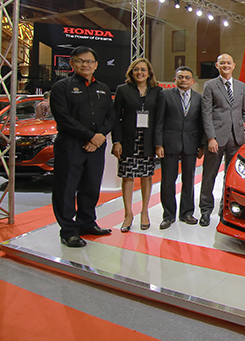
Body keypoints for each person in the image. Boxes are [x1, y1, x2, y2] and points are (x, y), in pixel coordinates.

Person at [50, 46, 116, 247]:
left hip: (96, 147)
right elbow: (63, 118)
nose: (85, 64)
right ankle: (68, 231)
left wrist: (99, 137)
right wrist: (90, 136)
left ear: (96, 65)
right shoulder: (61, 87)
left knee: (91, 186)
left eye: (89, 61)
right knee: (66, 188)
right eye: (80, 61)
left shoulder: (103, 88)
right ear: (72, 63)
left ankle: (87, 223)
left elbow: (111, 115)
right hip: (70, 145)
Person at [199, 53, 245, 226]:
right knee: (209, 175)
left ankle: (225, 209)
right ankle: (205, 211)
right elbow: (206, 113)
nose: (225, 65)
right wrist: (211, 138)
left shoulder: (240, 85)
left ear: (233, 65)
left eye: (228, 63)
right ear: (217, 66)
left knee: (231, 177)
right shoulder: (210, 85)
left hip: (236, 138)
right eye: (222, 63)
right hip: (216, 139)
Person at [112, 58, 162, 232]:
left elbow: (159, 120)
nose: (139, 72)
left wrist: (159, 143)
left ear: (149, 73)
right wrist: (116, 141)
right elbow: (115, 118)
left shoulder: (157, 91)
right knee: (127, 177)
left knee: (146, 176)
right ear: (131, 72)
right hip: (128, 140)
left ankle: (144, 212)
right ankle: (128, 214)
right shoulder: (123, 90)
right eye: (136, 69)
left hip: (147, 140)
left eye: (143, 70)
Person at [154, 66, 204, 230]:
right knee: (168, 181)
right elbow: (159, 121)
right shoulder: (165, 95)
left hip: (191, 143)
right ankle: (168, 215)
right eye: (180, 77)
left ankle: (187, 213)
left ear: (192, 81)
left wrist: (201, 145)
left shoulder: (198, 98)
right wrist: (158, 144)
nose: (183, 80)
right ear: (175, 79)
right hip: (169, 144)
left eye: (187, 77)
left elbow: (200, 123)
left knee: (189, 180)